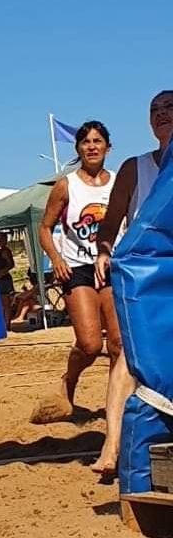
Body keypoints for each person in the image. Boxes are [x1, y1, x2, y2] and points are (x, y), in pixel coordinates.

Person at [91, 90, 173, 475]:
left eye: (169, 107)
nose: (161, 114)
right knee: (128, 354)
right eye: (154, 110)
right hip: (148, 272)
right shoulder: (135, 167)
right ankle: (112, 444)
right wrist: (104, 249)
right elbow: (110, 222)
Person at [32, 121, 118, 425]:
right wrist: (55, 258)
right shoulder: (67, 185)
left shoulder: (119, 183)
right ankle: (68, 381)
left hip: (111, 265)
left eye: (98, 141)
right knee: (91, 344)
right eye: (86, 142)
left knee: (118, 345)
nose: (92, 146)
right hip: (77, 268)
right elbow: (45, 228)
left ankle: (115, 408)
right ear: (78, 148)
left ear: (109, 147)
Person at [0, 232, 15, 327]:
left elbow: (11, 264)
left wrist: (1, 273)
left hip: (3, 279)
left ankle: (7, 323)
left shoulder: (5, 251)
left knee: (5, 302)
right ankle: (2, 322)